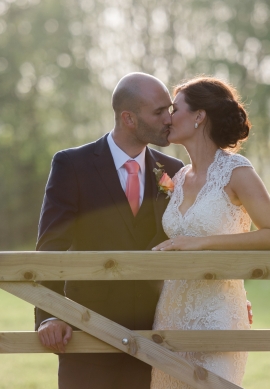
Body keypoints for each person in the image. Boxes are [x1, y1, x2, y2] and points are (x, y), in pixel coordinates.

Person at [34, 72, 184, 389]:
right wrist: (50, 314)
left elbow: (190, 239)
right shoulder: (72, 165)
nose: (168, 119)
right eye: (159, 112)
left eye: (169, 109)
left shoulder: (173, 171)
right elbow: (51, 246)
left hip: (155, 335)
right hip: (87, 334)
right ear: (128, 118)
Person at [150, 76, 270, 388]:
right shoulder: (179, 177)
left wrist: (202, 244)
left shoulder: (236, 171)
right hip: (170, 317)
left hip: (217, 315)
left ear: (199, 116)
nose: (167, 118)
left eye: (174, 109)